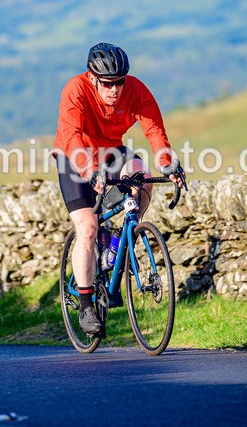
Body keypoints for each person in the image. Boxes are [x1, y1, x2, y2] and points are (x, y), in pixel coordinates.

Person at [53, 42, 185, 335]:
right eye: (108, 84)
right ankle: (87, 304)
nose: (115, 90)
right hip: (74, 158)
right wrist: (89, 171)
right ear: (92, 78)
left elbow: (154, 131)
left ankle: (122, 237)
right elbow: (72, 136)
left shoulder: (135, 89)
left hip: (111, 152)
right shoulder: (75, 90)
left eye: (120, 82)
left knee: (143, 177)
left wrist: (168, 164)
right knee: (86, 228)